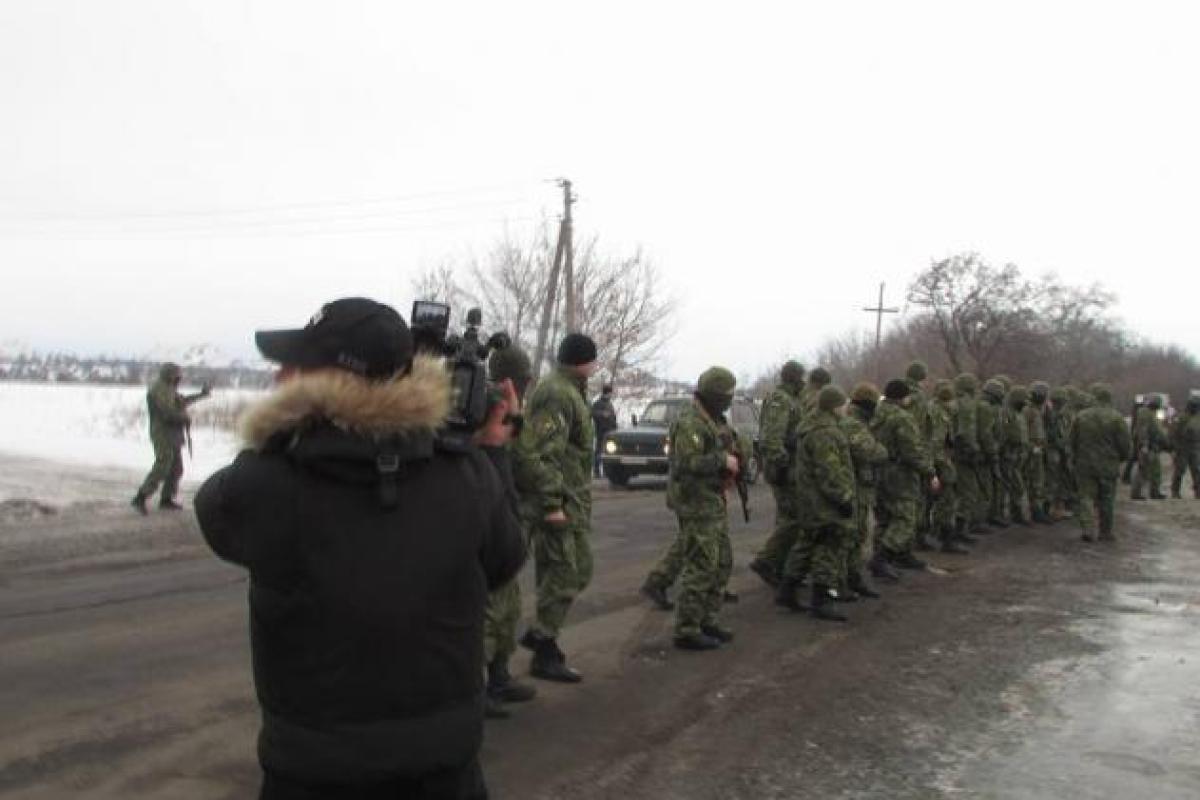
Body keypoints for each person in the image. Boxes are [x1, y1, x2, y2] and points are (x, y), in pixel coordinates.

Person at [194, 297, 525, 799]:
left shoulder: (271, 482)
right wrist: (491, 452)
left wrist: (282, 427)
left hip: (317, 774)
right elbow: (506, 557)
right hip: (445, 769)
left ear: (320, 384)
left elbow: (217, 515)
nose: (280, 375)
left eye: (294, 367)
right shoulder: (465, 473)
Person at [518, 333, 598, 682]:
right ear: (584, 360)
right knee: (567, 572)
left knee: (573, 570)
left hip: (572, 501)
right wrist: (552, 504)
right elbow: (540, 452)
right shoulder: (557, 393)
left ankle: (542, 637)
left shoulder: (572, 391)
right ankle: (544, 645)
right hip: (557, 502)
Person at [666, 366, 741, 650]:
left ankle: (707, 618)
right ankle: (687, 628)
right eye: (726, 395)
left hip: (711, 500)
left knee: (721, 562)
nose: (729, 401)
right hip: (695, 503)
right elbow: (686, 463)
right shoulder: (691, 423)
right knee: (701, 566)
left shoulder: (712, 419)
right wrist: (722, 461)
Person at [482, 346, 538, 720]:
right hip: (488, 512)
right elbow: (519, 458)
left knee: (508, 605)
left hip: (507, 513)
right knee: (487, 610)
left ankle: (499, 676)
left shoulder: (511, 406)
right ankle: (477, 689)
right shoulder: (491, 405)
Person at [779, 385, 857, 621]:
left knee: (806, 543)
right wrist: (843, 498)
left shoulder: (812, 427)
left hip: (810, 499)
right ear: (835, 406)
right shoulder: (825, 433)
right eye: (843, 404)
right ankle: (822, 599)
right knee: (827, 546)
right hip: (824, 502)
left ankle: (787, 589)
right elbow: (829, 471)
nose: (845, 409)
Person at [870, 379, 938, 574]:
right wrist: (929, 471)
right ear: (902, 397)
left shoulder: (876, 413)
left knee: (885, 517)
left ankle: (899, 555)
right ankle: (882, 557)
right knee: (906, 518)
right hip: (900, 473)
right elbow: (911, 451)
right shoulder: (902, 418)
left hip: (879, 470)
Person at [749, 360, 806, 588]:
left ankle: (781, 567)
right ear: (794, 378)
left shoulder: (791, 400)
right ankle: (767, 561)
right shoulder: (781, 400)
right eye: (801, 377)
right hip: (785, 469)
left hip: (791, 466)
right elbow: (772, 438)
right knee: (793, 520)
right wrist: (782, 465)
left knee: (787, 519)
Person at [131, 362, 210, 514]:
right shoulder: (159, 390)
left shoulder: (170, 388)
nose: (179, 377)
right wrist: (183, 418)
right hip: (162, 433)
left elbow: (181, 402)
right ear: (169, 374)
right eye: (177, 374)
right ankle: (140, 497)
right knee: (163, 465)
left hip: (173, 433)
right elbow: (166, 413)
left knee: (176, 468)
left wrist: (201, 395)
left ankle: (166, 499)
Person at [1071, 382, 1133, 542]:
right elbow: (1125, 444)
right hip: (1108, 465)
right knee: (1107, 498)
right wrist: (1123, 457)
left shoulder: (1081, 416)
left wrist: (1075, 457)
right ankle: (1105, 531)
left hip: (1084, 464)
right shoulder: (1117, 418)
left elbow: (1072, 441)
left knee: (1086, 497)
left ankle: (1088, 529)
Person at [1131, 395, 1169, 500]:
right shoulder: (1145, 414)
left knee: (1155, 470)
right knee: (1143, 470)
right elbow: (1143, 430)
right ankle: (1136, 493)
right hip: (1147, 446)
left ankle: (1155, 492)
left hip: (1153, 446)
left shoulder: (1151, 414)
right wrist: (1144, 445)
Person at [1170, 396, 1200, 498]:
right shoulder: (1182, 417)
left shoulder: (1197, 417)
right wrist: (1174, 447)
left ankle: (1198, 491)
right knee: (1179, 470)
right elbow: (1174, 433)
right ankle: (1175, 491)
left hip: (1195, 446)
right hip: (1183, 447)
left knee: (1196, 470)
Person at [590, 384, 617, 478]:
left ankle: (606, 471)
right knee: (599, 451)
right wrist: (602, 414)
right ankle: (596, 471)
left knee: (608, 451)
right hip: (601, 430)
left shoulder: (609, 404)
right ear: (607, 393)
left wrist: (615, 428)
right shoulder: (598, 403)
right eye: (610, 393)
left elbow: (613, 417)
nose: (611, 395)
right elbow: (592, 413)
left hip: (610, 431)